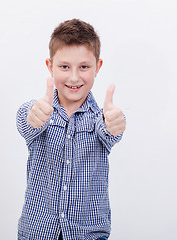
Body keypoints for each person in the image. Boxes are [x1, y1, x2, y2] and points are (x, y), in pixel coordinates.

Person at [16, 18, 126, 240]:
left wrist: (115, 124)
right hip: (37, 233)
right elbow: (27, 121)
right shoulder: (38, 112)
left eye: (84, 67)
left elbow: (109, 130)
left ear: (98, 67)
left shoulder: (100, 118)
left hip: (88, 234)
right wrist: (33, 116)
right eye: (64, 66)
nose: (74, 77)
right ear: (50, 66)